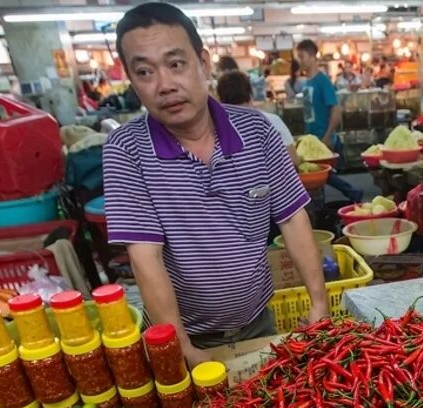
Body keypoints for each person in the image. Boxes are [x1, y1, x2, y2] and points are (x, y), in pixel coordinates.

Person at [104, 3, 329, 367]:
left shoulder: (258, 131)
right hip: (182, 335)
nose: (164, 85)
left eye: (176, 64)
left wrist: (319, 303)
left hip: (259, 325)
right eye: (145, 72)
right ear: (132, 81)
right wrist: (181, 346)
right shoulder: (126, 150)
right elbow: (145, 256)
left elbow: (292, 219)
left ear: (203, 63)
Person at [295, 39, 363, 202]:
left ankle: (353, 193)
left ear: (312, 57)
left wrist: (328, 135)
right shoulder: (306, 83)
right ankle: (349, 194)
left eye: (302, 56)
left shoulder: (323, 82)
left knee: (322, 175)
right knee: (319, 176)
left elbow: (336, 110)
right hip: (311, 138)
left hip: (323, 137)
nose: (300, 60)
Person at [217, 70, 298, 166]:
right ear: (251, 95)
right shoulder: (271, 121)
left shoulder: (217, 131)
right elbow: (293, 160)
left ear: (220, 101)